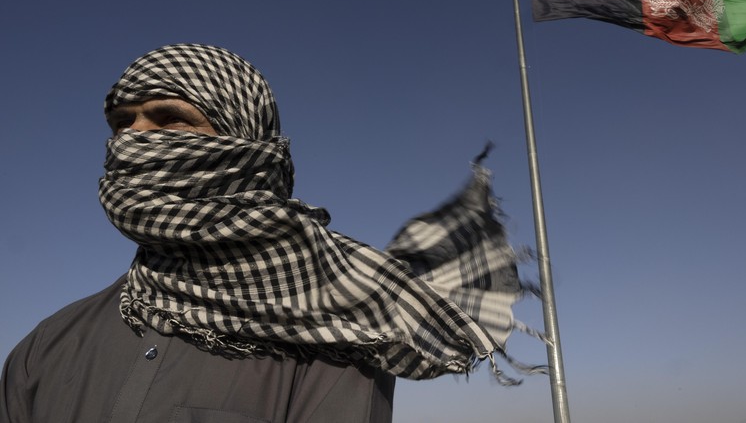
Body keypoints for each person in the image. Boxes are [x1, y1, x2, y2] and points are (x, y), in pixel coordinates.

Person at [0, 44, 533, 423]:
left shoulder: (332, 335)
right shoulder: (49, 344)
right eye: (122, 123)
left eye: (168, 120)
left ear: (245, 146)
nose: (132, 140)